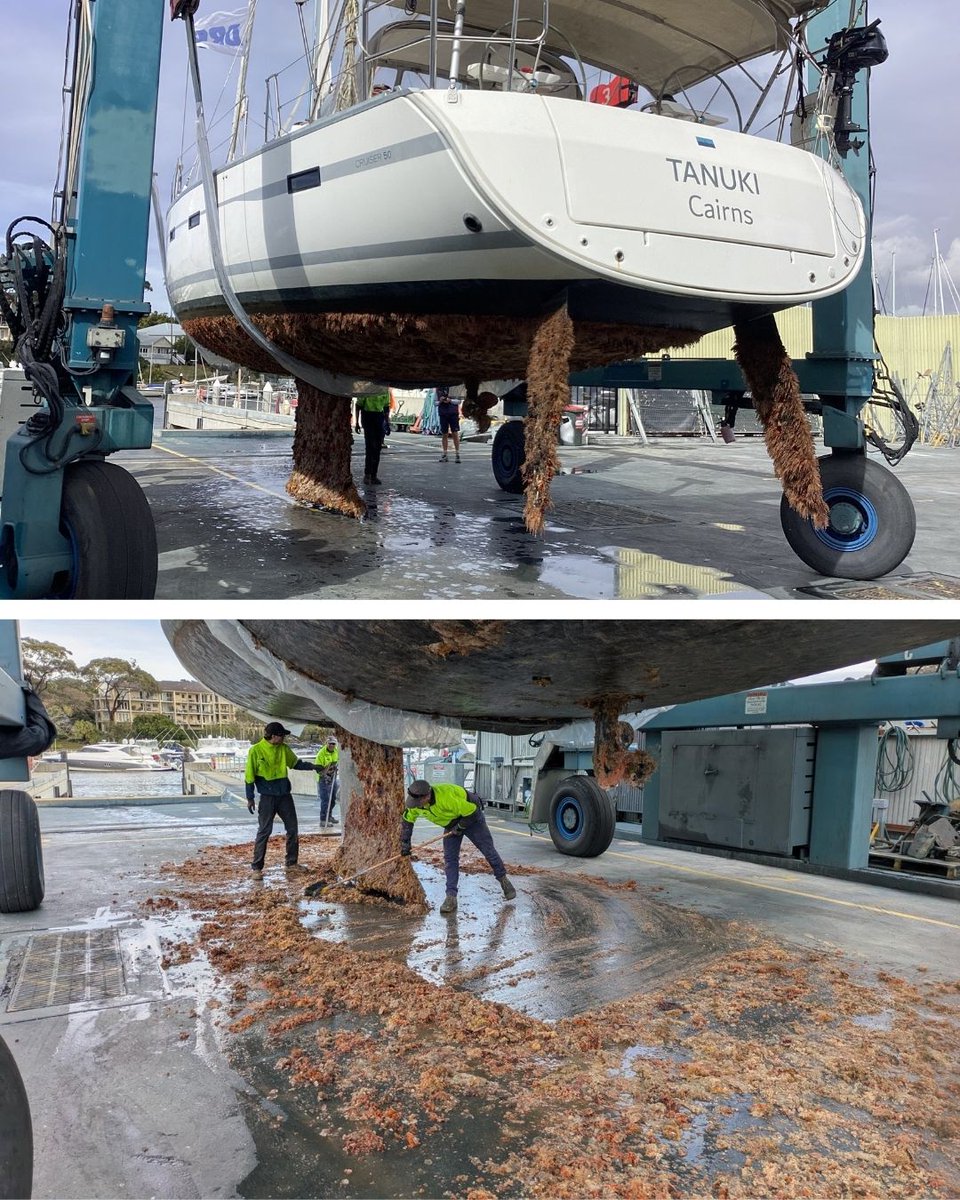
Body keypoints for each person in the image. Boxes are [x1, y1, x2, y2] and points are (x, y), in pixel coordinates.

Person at [400, 779, 516, 913]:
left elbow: (472, 810)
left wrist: (460, 826)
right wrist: (405, 842)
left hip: (472, 818)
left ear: (427, 796)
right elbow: (408, 820)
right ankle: (451, 897)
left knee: (487, 850)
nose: (416, 806)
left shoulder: (447, 798)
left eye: (418, 803)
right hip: (450, 823)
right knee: (450, 859)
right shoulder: (417, 805)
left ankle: (503, 880)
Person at [245, 721, 322, 878]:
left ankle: (291, 863)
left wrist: (314, 766)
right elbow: (249, 777)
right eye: (282, 736)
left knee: (292, 828)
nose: (284, 739)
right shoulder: (256, 751)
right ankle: (256, 868)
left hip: (284, 795)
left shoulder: (284, 749)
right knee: (264, 831)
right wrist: (250, 798)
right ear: (273, 736)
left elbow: (296, 764)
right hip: (267, 797)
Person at [355, 392, 391, 485]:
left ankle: (374, 475)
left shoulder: (384, 390)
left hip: (379, 417)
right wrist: (357, 423)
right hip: (367, 416)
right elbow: (358, 405)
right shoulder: (368, 389)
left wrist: (387, 423)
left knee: (377, 448)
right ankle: (367, 475)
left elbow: (386, 407)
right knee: (370, 446)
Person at [314, 734, 340, 826]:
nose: (331, 746)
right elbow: (318, 769)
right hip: (323, 779)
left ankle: (329, 816)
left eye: (333, 744)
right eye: (330, 744)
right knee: (325, 799)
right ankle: (323, 819)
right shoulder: (321, 754)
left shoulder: (336, 752)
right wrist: (326, 770)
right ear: (326, 744)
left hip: (332, 778)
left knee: (332, 799)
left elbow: (338, 762)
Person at [435, 386, 461, 463]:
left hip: (453, 414)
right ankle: (445, 454)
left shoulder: (455, 388)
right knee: (444, 434)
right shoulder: (437, 390)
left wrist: (450, 400)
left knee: (455, 433)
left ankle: (457, 454)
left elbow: (459, 401)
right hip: (443, 414)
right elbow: (435, 403)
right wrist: (440, 401)